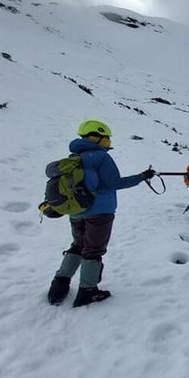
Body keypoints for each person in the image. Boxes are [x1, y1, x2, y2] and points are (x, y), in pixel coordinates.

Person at [47, 119, 155, 307]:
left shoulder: (75, 157)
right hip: (100, 212)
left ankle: (58, 286)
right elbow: (113, 183)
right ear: (96, 137)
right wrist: (142, 177)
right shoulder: (101, 157)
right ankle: (88, 291)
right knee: (93, 250)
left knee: (78, 245)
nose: (109, 142)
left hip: (76, 211)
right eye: (106, 138)